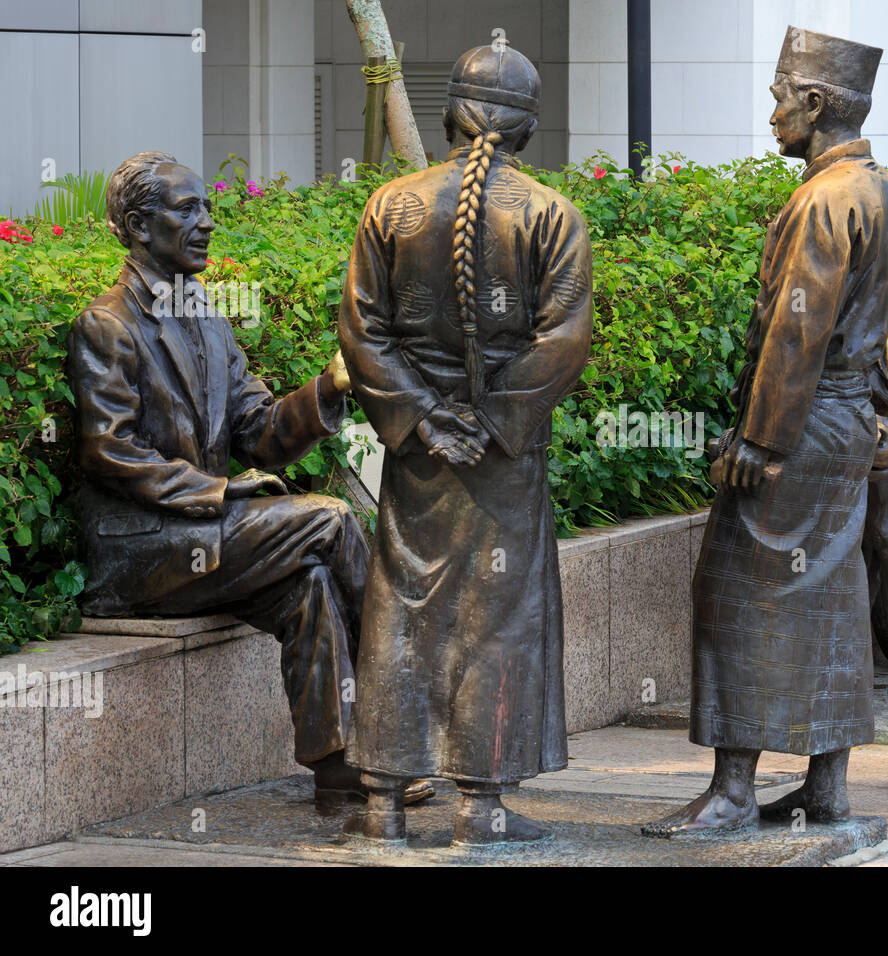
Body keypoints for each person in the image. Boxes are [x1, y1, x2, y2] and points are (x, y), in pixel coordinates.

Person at [641, 26, 888, 837]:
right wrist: (874, 392)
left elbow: (794, 334)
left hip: (797, 434)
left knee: (734, 592)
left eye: (779, 97)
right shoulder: (884, 191)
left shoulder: (824, 198)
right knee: (833, 597)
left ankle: (734, 794)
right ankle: (827, 791)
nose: (771, 112)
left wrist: (759, 440)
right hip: (839, 426)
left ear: (814, 103)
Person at [339, 39, 593, 846]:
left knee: (399, 608)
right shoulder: (551, 215)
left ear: (451, 114)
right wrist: (489, 422)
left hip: (418, 455)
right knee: (497, 615)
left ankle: (383, 803)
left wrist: (421, 416)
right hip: (502, 459)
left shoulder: (390, 205)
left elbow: (362, 331)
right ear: (526, 128)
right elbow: (563, 340)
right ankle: (480, 808)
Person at [67, 151, 372, 803]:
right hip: (141, 552)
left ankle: (340, 763)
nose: (206, 221)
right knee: (330, 518)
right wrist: (218, 491)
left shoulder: (208, 319)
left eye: (208, 207)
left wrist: (332, 385)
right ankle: (409, 707)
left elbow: (260, 431)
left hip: (200, 544)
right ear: (141, 228)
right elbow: (109, 452)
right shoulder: (106, 324)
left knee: (311, 582)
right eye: (188, 209)